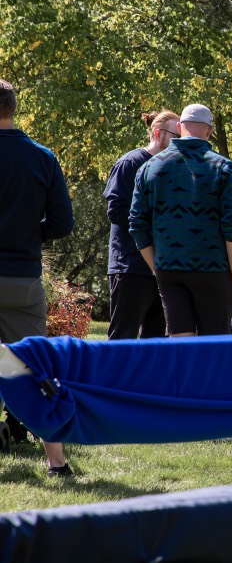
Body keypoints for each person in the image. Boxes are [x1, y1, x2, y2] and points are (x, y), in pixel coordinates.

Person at [0, 79, 75, 477]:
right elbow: (62, 222)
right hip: (21, 277)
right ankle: (56, 461)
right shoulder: (42, 157)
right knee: (35, 367)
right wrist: (29, 235)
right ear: (14, 108)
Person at [130, 103, 232, 336]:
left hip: (168, 268)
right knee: (214, 344)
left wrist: (156, 267)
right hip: (213, 268)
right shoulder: (223, 167)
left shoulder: (149, 167)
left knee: (180, 339)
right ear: (209, 131)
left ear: (180, 127)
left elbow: (137, 223)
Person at [104, 109, 179, 340]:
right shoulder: (131, 163)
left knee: (157, 343)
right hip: (131, 267)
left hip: (163, 268)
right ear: (157, 133)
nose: (180, 143)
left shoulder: (174, 168)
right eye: (176, 137)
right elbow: (117, 211)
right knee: (122, 339)